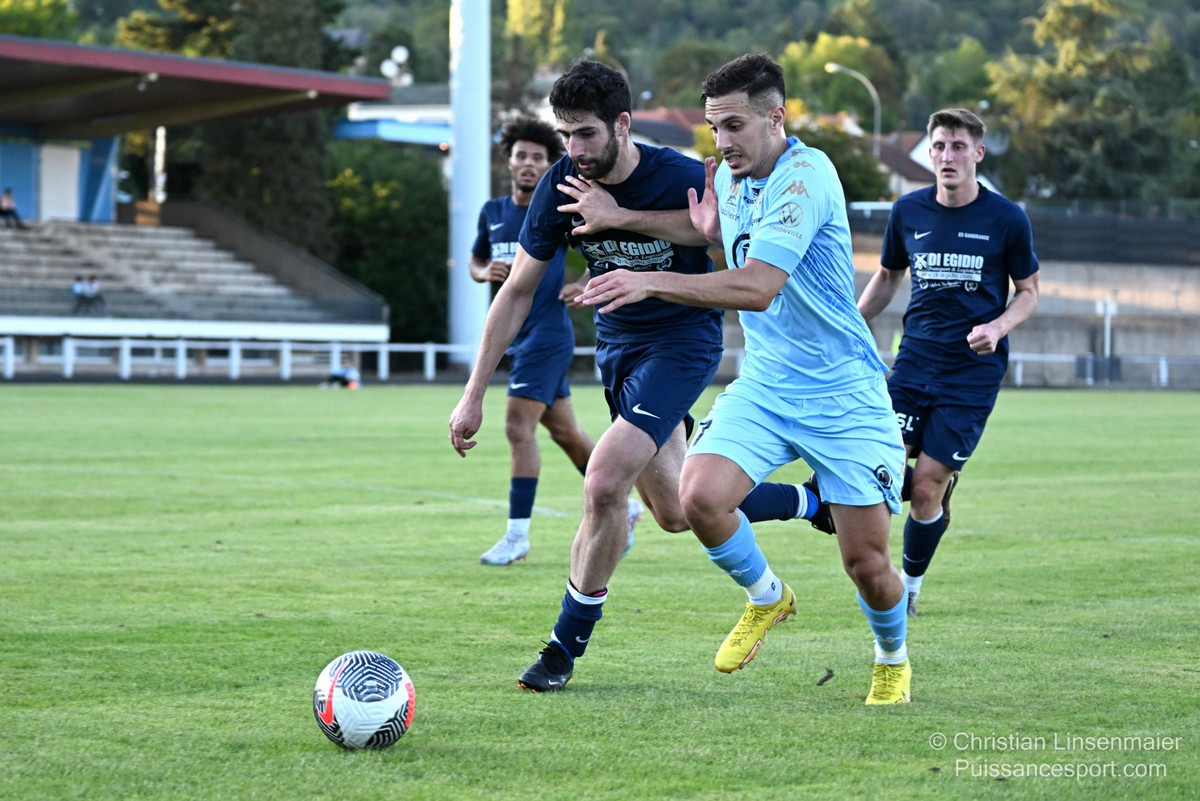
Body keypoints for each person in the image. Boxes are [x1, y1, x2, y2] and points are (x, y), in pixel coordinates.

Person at [448, 59, 828, 694]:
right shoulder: (561, 185)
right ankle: (810, 505)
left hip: (682, 345)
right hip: (619, 353)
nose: (574, 150)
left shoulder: (681, 175)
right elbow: (516, 291)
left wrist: (620, 217)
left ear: (623, 125)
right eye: (566, 135)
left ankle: (562, 650)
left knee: (603, 481)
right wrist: (472, 394)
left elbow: (725, 244)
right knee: (678, 510)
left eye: (586, 134)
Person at [571, 53, 912, 704]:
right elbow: (728, 250)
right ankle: (767, 596)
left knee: (866, 564)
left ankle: (891, 657)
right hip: (767, 385)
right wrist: (707, 234)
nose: (722, 141)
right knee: (697, 497)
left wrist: (648, 279)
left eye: (734, 125)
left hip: (843, 393)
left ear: (775, 118)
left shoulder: (806, 176)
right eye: (713, 127)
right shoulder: (728, 181)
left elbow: (756, 287)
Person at [857, 107, 1039, 617]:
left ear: (978, 153)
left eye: (958, 146)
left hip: (971, 375)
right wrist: (850, 323)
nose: (947, 156)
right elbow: (888, 277)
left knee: (925, 487)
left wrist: (997, 327)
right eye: (939, 146)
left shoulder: (1007, 218)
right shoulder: (908, 211)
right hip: (913, 365)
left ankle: (910, 587)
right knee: (882, 471)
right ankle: (880, 570)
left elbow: (1028, 292)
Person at [469, 115, 642, 567]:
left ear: (548, 164)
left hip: (546, 336)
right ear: (509, 161)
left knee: (516, 427)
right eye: (521, 156)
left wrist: (584, 282)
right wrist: (482, 273)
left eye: (538, 158)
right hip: (515, 337)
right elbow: (475, 260)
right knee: (565, 433)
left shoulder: (559, 205)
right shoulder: (493, 212)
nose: (528, 163)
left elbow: (606, 248)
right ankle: (627, 505)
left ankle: (516, 535)